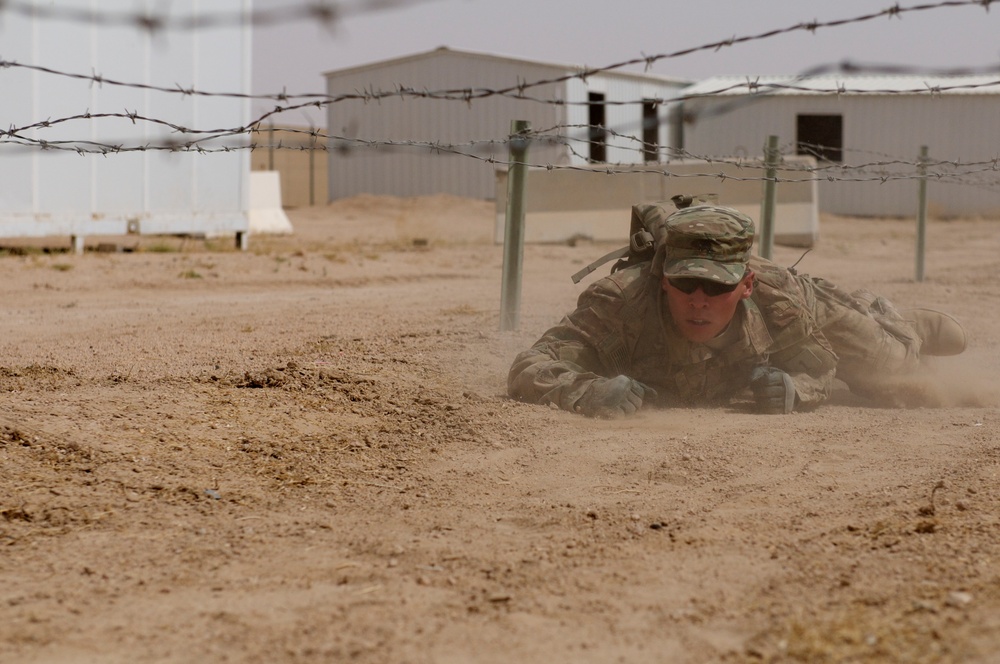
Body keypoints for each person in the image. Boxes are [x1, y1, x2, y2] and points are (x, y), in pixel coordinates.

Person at [507, 200, 968, 418]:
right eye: (685, 284)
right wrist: (587, 391)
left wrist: (794, 389)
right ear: (664, 278)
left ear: (745, 284)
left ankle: (903, 324)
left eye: (716, 287)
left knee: (890, 370)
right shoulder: (620, 301)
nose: (698, 301)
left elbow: (820, 364)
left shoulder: (778, 298)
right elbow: (531, 364)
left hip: (806, 305)